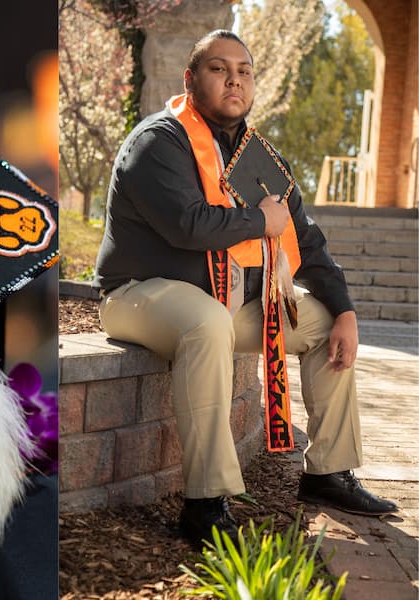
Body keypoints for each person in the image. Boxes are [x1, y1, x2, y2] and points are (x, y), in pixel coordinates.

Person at [95, 30, 399, 546]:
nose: (234, 78)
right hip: (138, 297)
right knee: (204, 321)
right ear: (190, 79)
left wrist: (344, 309)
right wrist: (260, 220)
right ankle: (205, 503)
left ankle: (328, 472)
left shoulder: (260, 158)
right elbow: (187, 225)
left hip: (223, 306)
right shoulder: (158, 142)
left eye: (244, 69)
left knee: (321, 322)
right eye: (219, 68)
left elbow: (304, 238)